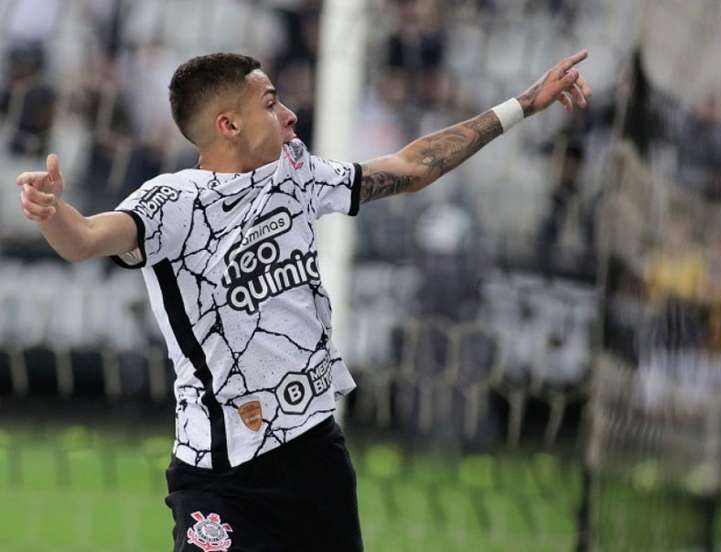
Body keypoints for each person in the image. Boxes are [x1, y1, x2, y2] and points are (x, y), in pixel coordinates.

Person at [16, 51, 591, 551]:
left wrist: (524, 104)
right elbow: (87, 238)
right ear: (228, 124)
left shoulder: (297, 175)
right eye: (270, 103)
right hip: (222, 476)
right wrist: (52, 213)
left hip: (316, 456)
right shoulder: (172, 202)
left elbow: (411, 168)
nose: (289, 114)